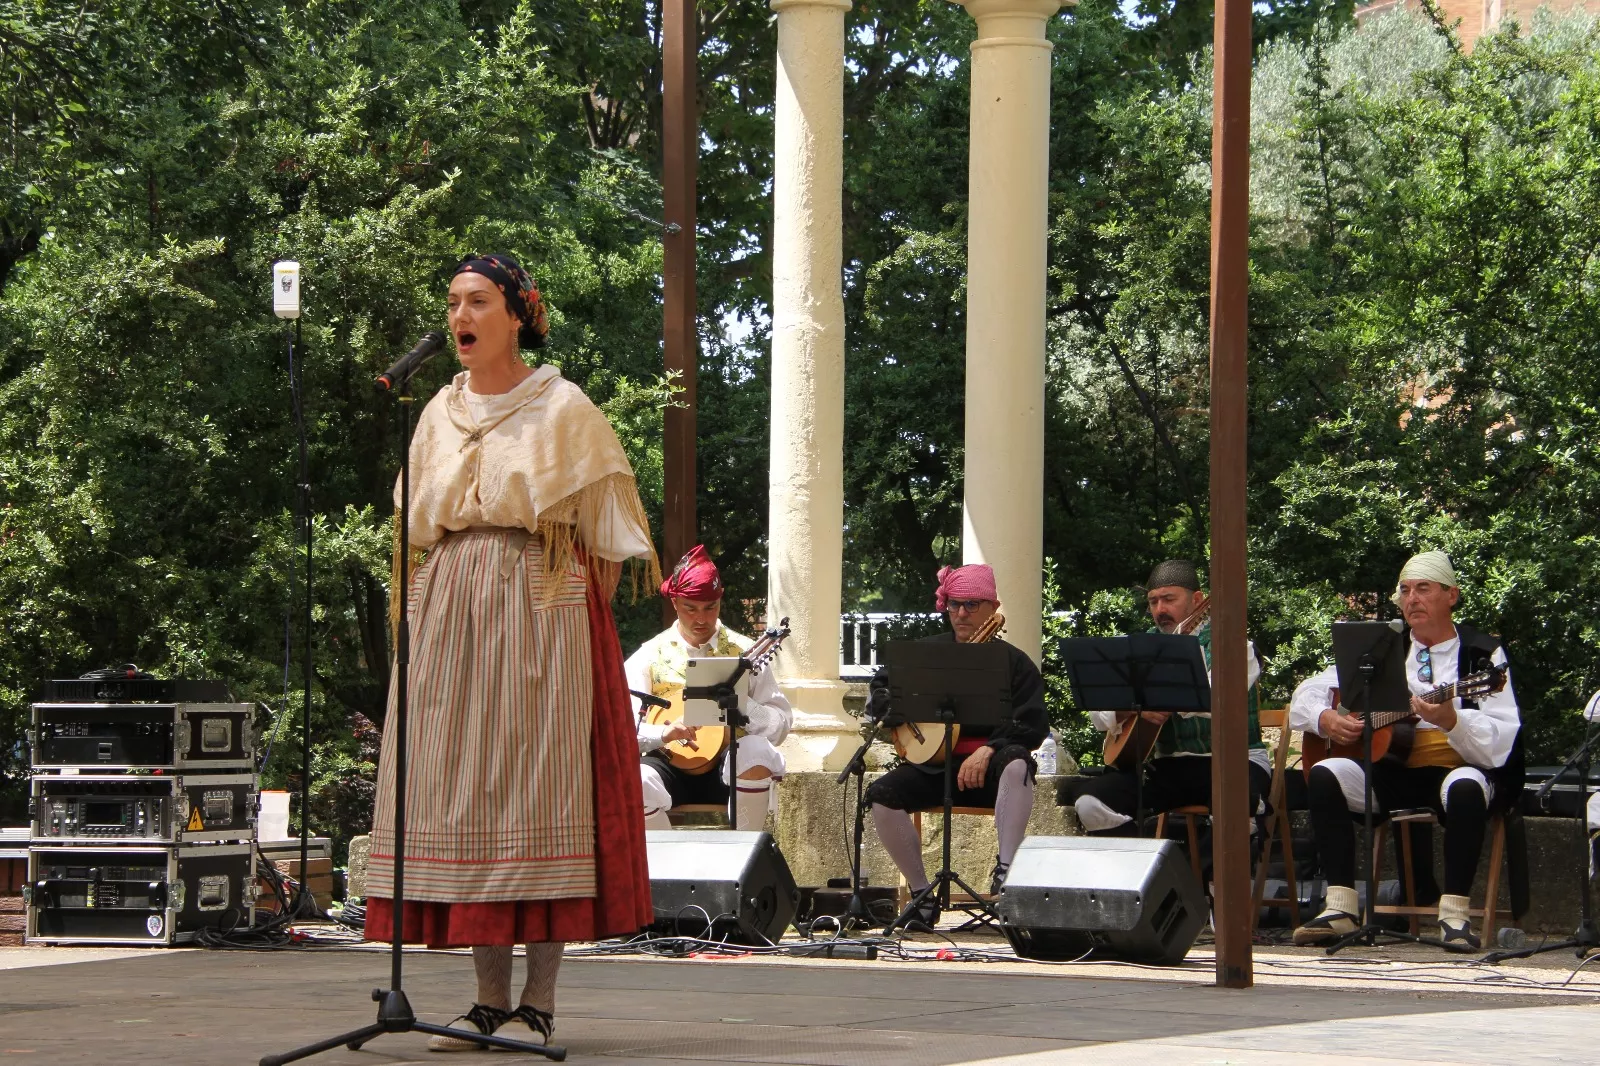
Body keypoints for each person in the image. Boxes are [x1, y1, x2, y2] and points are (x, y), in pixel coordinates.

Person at [363, 253, 659, 1051]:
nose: (461, 315)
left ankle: (540, 1003)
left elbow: (606, 541)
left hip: (540, 602)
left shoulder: (563, 407)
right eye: (454, 301)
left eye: (479, 301)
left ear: (518, 314)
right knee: (463, 796)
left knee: (537, 791)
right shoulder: (435, 412)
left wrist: (566, 623)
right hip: (452, 604)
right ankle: (487, 1002)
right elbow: (414, 527)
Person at [1289, 551, 1521, 949]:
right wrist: (1325, 719)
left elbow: (1504, 736)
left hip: (1456, 767)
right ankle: (1341, 907)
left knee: (1466, 785)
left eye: (1423, 589)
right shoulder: (1382, 649)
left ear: (1452, 595)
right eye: (1405, 590)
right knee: (1326, 773)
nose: (1411, 598)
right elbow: (1307, 691)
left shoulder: (1484, 656)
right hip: (1392, 769)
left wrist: (1453, 720)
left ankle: (1454, 914)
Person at [865, 563, 1047, 926]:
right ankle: (921, 896)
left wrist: (989, 749)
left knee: (1017, 762)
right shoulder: (925, 655)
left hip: (992, 771)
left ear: (994, 608)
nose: (961, 613)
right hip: (934, 765)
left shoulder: (1015, 663)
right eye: (954, 604)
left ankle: (1006, 875)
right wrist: (891, 706)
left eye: (972, 604)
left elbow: (1032, 724)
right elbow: (883, 695)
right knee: (881, 794)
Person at [1066, 560, 1271, 853]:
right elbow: (1099, 714)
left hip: (1235, 761)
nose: (1160, 609)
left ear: (1197, 600)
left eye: (1169, 599)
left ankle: (1215, 890)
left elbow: (1217, 699)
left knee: (1235, 800)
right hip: (1170, 764)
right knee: (1091, 802)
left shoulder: (1234, 645)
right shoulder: (1139, 648)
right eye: (1153, 601)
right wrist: (1133, 708)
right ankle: (1142, 880)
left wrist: (1162, 698)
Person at [626, 545, 792, 831]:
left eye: (710, 607)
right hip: (668, 766)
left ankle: (743, 864)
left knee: (755, 751)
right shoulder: (648, 655)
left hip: (728, 768)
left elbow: (781, 724)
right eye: (691, 609)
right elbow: (623, 725)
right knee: (633, 781)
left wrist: (743, 707)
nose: (701, 619)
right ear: (675, 602)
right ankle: (668, 870)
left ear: (721, 600)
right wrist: (663, 733)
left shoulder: (746, 653)